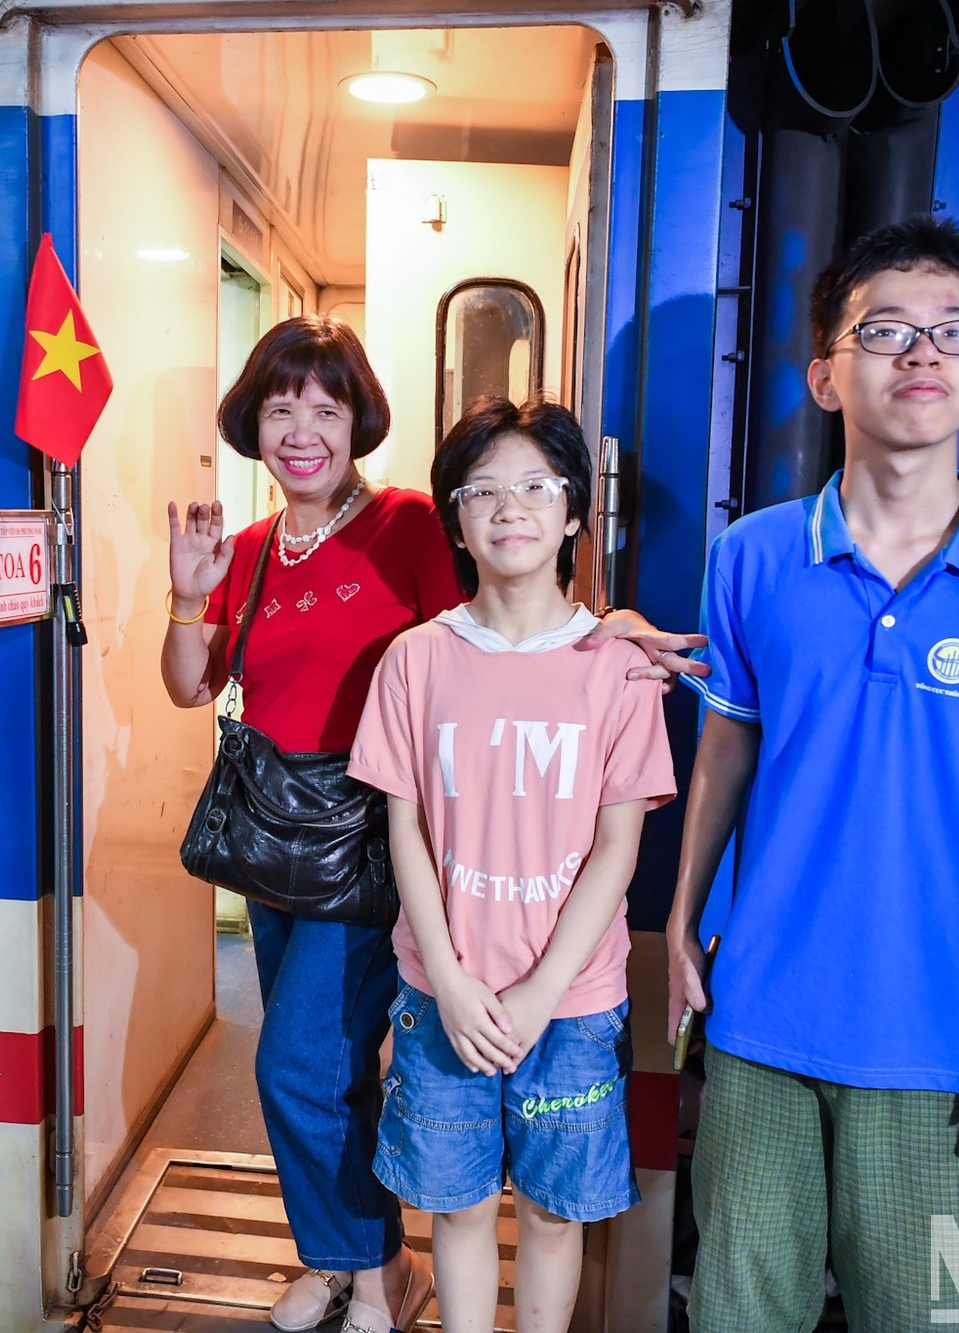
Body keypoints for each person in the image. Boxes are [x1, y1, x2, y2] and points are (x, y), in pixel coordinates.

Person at [161, 317, 703, 1333]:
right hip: (279, 846)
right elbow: (194, 686)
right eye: (281, 409)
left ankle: (371, 1270)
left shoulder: (410, 522)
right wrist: (183, 598)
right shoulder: (247, 550)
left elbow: (511, 615)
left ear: (358, 418)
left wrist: (613, 631)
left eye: (325, 407)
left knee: (299, 1067)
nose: (302, 430)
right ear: (251, 423)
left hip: (373, 841)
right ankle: (347, 1259)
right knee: (321, 1068)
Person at [668, 216, 959, 1332]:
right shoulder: (751, 558)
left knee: (917, 1317)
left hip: (949, 1035)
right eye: (882, 330)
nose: (919, 353)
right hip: (760, 1026)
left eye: (950, 333)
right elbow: (724, 753)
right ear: (825, 375)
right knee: (739, 1313)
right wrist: (682, 924)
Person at [348, 398, 678, 1333]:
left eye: (537, 485)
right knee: (453, 1206)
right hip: (440, 991)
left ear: (575, 510)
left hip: (571, 1003)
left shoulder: (619, 663)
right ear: (455, 516)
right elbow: (403, 828)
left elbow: (620, 844)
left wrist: (538, 992)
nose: (510, 506)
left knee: (550, 1210)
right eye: (482, 488)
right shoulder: (416, 660)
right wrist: (449, 980)